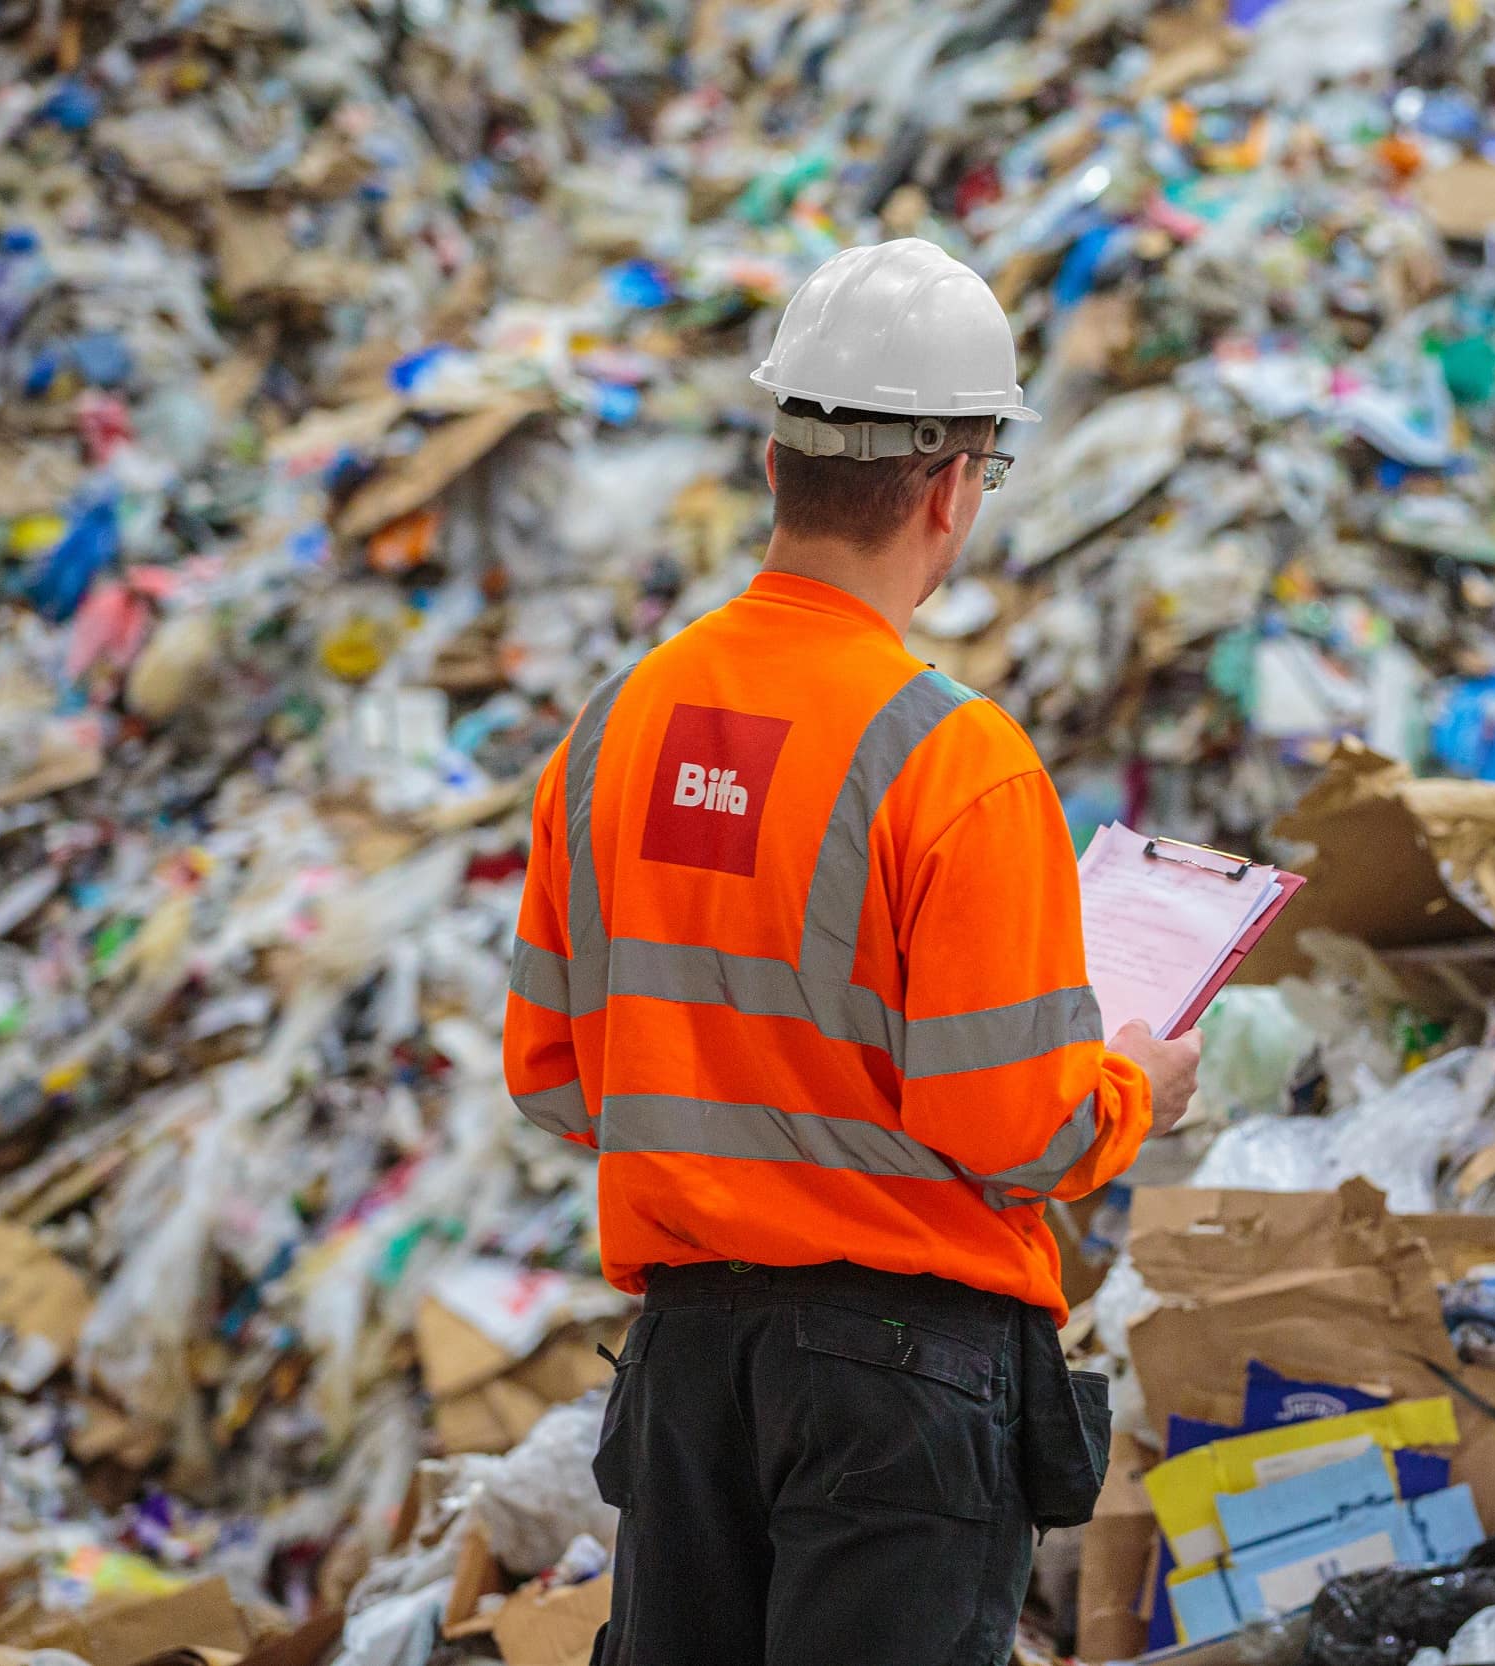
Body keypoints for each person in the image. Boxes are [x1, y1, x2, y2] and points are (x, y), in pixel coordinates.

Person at [501, 238, 1201, 1666]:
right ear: (950, 488)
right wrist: (1131, 1087)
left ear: (777, 468)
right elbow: (1011, 1119)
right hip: (904, 1391)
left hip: (690, 1373)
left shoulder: (612, 730)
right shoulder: (958, 763)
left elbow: (557, 1080)